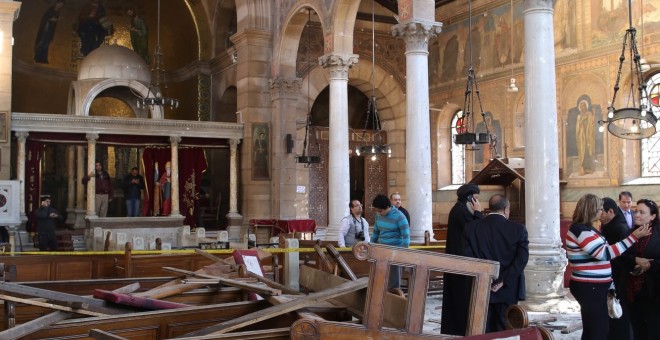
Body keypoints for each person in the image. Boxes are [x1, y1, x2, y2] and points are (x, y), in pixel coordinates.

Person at [565, 194, 650, 340]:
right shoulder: (579, 230)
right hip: (589, 286)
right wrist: (633, 237)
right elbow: (604, 253)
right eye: (598, 209)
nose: (600, 212)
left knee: (595, 329)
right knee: (598, 331)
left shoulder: (588, 229)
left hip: (596, 286)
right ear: (590, 210)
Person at [463, 194, 529, 333]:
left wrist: (486, 279)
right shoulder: (518, 229)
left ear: (489, 208)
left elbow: (468, 259)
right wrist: (502, 280)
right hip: (508, 289)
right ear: (506, 209)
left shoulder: (471, 228)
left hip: (481, 287)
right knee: (504, 329)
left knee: (481, 329)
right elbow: (521, 260)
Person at [441, 183, 483, 336]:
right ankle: (459, 332)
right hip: (459, 264)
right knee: (459, 300)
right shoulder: (460, 211)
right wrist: (478, 212)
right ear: (469, 198)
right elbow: (476, 230)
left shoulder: (461, 209)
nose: (478, 202)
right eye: (476, 199)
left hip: (459, 262)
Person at [621, 199, 660, 340]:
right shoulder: (630, 234)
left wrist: (652, 264)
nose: (636, 215)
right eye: (636, 211)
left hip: (654, 291)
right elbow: (621, 256)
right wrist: (635, 260)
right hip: (632, 291)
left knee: (654, 330)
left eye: (641, 212)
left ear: (653, 216)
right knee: (638, 330)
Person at [600, 197, 634, 340]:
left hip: (619, 277)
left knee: (618, 311)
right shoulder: (610, 224)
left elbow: (623, 255)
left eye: (601, 211)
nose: (598, 214)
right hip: (612, 276)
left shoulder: (619, 227)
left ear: (611, 212)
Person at [371, 194, 409, 291]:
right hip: (382, 250)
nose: (378, 213)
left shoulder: (400, 216)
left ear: (387, 207)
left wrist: (403, 253)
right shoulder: (378, 215)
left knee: (393, 281)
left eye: (380, 211)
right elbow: (376, 232)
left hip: (396, 251)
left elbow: (406, 236)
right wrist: (371, 246)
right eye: (377, 210)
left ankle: (393, 298)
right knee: (380, 277)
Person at [576, 99, 595, 176]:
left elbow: (592, 124)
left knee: (588, 152)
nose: (582, 107)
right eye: (581, 106)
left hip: (588, 136)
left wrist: (594, 114)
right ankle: (582, 169)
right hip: (582, 137)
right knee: (582, 153)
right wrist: (582, 120)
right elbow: (577, 127)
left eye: (583, 106)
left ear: (586, 106)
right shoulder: (579, 116)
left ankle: (589, 169)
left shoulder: (589, 114)